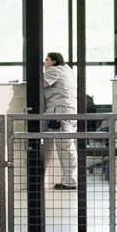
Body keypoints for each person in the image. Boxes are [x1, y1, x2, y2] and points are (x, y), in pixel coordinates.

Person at [40, 52, 78, 190]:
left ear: (54, 62)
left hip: (61, 112)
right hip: (69, 111)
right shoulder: (67, 70)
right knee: (67, 146)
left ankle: (69, 181)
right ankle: (70, 179)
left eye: (47, 60)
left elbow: (41, 84)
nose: (44, 63)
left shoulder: (54, 70)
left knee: (65, 147)